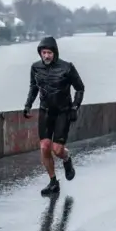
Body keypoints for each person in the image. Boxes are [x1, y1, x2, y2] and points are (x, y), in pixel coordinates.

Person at [23, 36, 85, 195]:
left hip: (63, 112)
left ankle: (66, 158)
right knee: (44, 147)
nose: (46, 56)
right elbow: (33, 87)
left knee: (57, 150)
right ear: (40, 53)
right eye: (43, 53)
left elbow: (80, 88)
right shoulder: (35, 68)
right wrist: (28, 105)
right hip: (45, 111)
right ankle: (53, 182)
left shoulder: (67, 67)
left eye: (49, 52)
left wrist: (75, 106)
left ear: (55, 53)